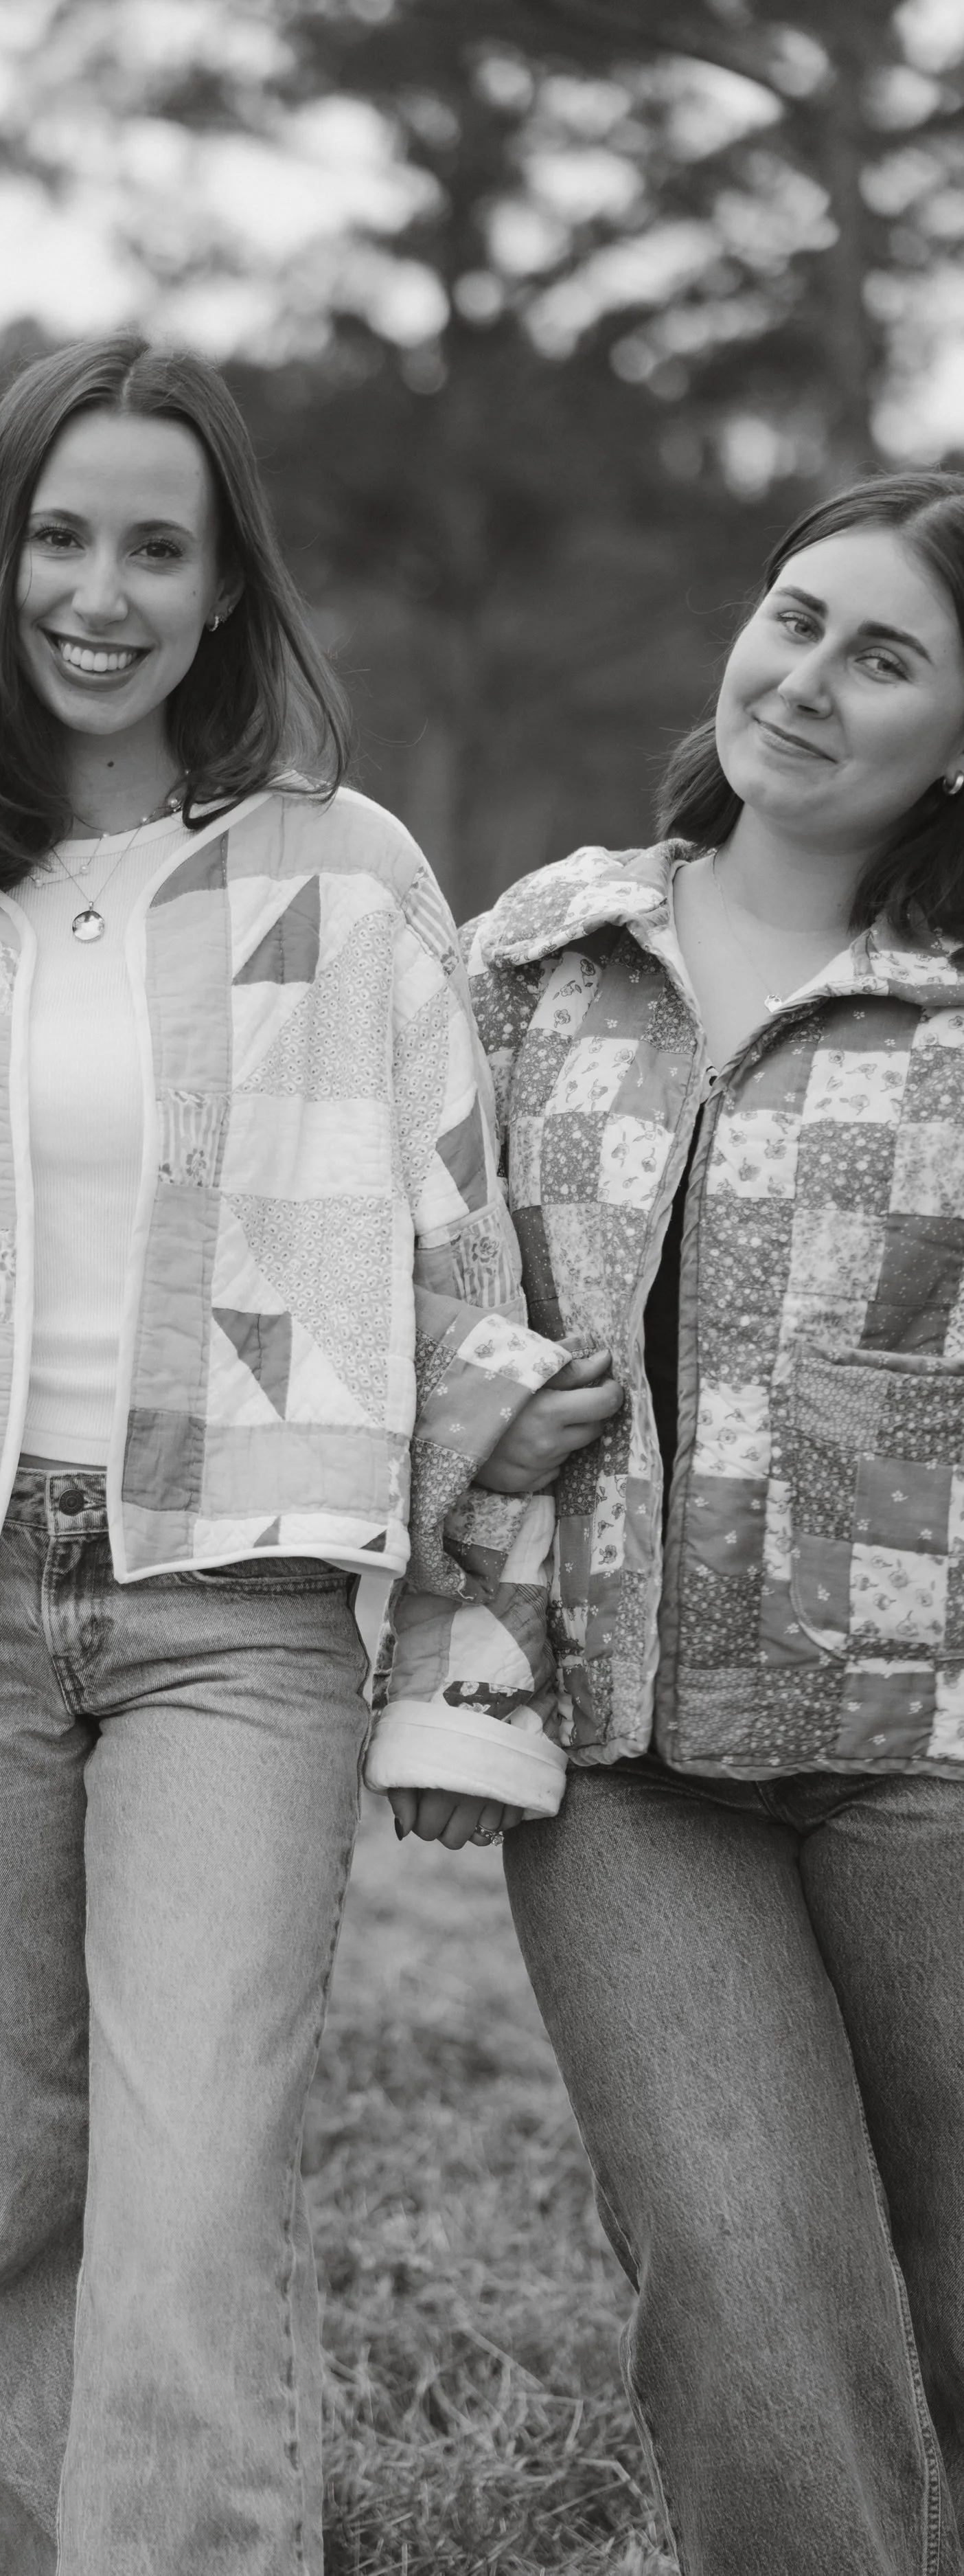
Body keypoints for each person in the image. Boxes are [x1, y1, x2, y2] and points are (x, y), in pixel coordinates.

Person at [0, 332, 606, 2576]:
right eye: (62, 536)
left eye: (156, 547)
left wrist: (481, 1550)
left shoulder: (339, 871)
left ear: (221, 588)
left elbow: (449, 1235)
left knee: (192, 2197)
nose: (102, 590)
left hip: (237, 1611)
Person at [402, 470, 964, 2575]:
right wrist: (484, 1410)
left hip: (930, 1749)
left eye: (883, 655)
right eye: (794, 618)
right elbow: (395, 1259)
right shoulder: (539, 954)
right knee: (747, 2287)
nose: (804, 680)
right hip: (620, 1750)